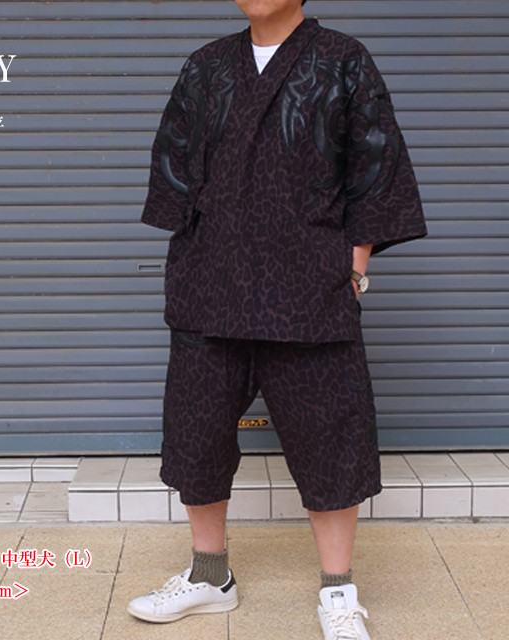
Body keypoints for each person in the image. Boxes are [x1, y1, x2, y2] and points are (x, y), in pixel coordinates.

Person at [127, 0, 427, 638]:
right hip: (211, 286)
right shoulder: (207, 66)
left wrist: (353, 268)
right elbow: (174, 168)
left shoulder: (343, 60)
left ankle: (338, 591)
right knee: (198, 434)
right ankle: (210, 577)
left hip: (307, 289)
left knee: (329, 438)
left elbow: (376, 167)